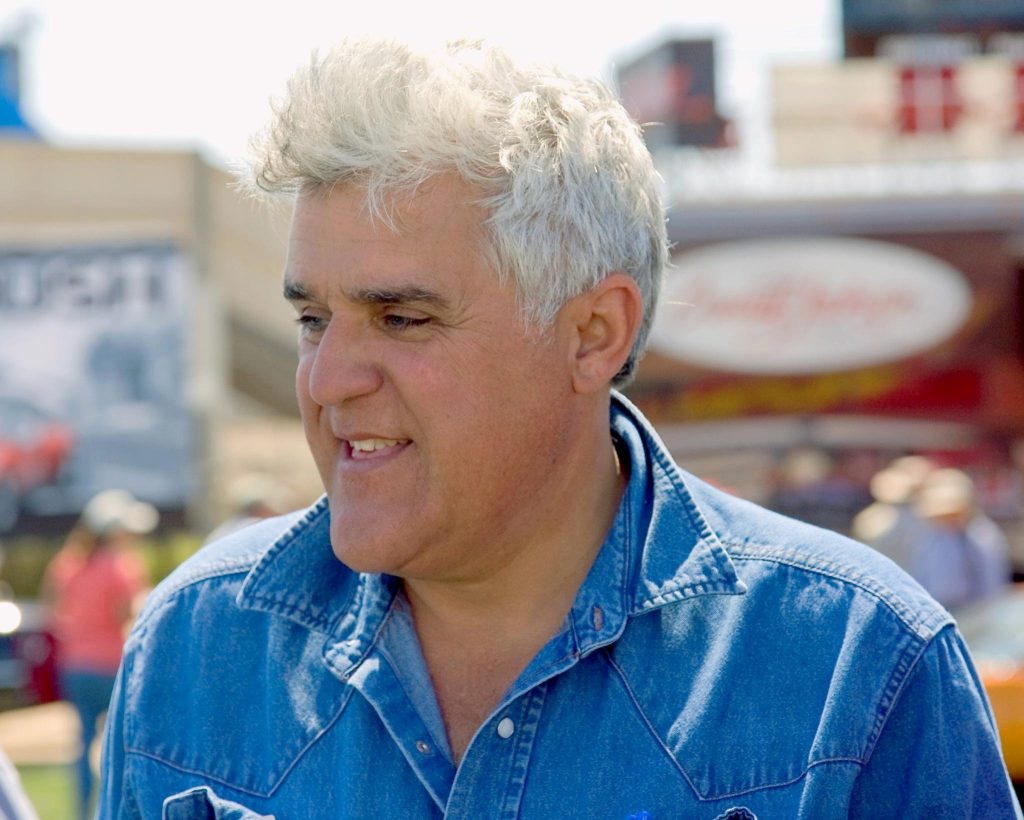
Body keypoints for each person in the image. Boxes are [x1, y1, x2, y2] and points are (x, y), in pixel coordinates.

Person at [98, 38, 1021, 818]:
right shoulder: (193, 649)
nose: (327, 378)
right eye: (312, 319)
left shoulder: (859, 670)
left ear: (593, 334)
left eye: (402, 318)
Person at [44, 490, 153, 820]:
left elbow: (54, 610)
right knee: (120, 747)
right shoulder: (122, 567)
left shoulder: (68, 563)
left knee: (83, 745)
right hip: (110, 666)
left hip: (74, 666)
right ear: (113, 531)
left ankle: (82, 812)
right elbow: (130, 617)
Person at [907, 468, 1012, 612]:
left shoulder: (981, 536)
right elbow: (921, 575)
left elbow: (991, 585)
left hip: (973, 614)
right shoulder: (930, 537)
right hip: (937, 611)